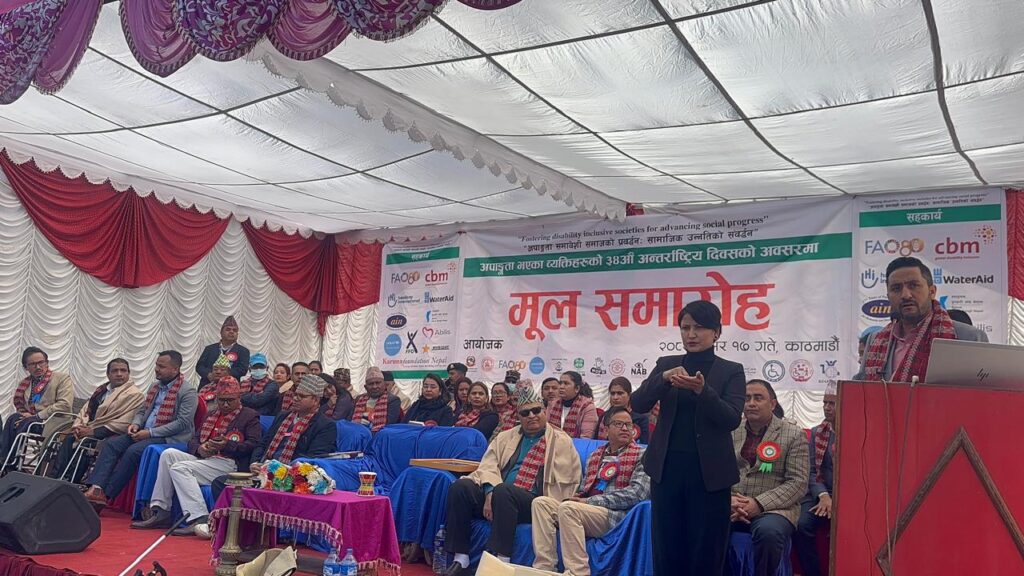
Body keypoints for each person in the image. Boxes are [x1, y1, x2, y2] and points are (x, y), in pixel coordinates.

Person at [631, 300, 746, 576]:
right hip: (667, 471)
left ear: (717, 332)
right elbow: (638, 403)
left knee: (706, 550)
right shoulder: (667, 364)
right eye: (685, 327)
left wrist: (702, 391)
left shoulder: (731, 370)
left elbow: (731, 418)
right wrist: (663, 378)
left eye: (699, 327)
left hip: (709, 476)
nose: (691, 334)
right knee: (667, 547)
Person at [443, 385, 581, 575]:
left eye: (536, 410)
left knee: (504, 491)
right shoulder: (506, 436)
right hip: (498, 496)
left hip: (534, 503)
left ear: (544, 411)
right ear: (519, 416)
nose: (532, 415)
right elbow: (488, 465)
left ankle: (502, 562)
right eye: (525, 412)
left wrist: (497, 491)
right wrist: (490, 491)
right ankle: (461, 558)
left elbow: (568, 480)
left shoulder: (561, 440)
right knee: (461, 487)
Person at [206, 374, 338, 537]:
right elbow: (263, 444)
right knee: (221, 482)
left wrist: (274, 468)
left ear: (316, 400)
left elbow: (312, 459)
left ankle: (242, 533)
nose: (295, 398)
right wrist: (255, 462)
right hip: (261, 471)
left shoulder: (325, 425)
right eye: (295, 394)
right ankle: (229, 531)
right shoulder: (283, 416)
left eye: (301, 396)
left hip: (289, 477)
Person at [132, 377, 261, 536]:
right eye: (222, 400)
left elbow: (252, 445)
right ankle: (161, 510)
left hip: (229, 463)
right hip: (205, 459)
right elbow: (193, 439)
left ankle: (199, 518)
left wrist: (226, 445)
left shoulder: (249, 416)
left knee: (180, 468)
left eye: (230, 400)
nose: (225, 405)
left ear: (238, 398)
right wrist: (200, 449)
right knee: (168, 455)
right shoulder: (211, 414)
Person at [532, 407, 650, 576]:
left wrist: (587, 502)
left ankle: (577, 572)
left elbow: (637, 494)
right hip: (588, 510)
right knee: (541, 503)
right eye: (619, 424)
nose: (625, 429)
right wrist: (576, 498)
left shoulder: (642, 454)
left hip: (617, 516)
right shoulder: (595, 455)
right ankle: (544, 569)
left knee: (569, 509)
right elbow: (583, 489)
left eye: (628, 425)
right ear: (606, 429)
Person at [84, 350, 198, 508]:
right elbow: (142, 411)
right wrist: (136, 424)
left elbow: (182, 423)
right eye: (157, 365)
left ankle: (106, 496)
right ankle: (96, 488)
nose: (157, 369)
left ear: (175, 369)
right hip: (143, 431)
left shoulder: (188, 392)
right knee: (111, 444)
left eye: (162, 366)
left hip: (168, 437)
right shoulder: (155, 386)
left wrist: (150, 433)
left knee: (133, 451)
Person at [858, 257, 987, 382]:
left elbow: (981, 397)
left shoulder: (969, 338)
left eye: (914, 285)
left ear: (932, 291)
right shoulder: (875, 340)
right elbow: (860, 391)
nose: (905, 295)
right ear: (888, 296)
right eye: (896, 288)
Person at [729, 379, 809, 576]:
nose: (751, 403)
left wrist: (758, 504)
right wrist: (729, 500)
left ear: (772, 404)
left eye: (758, 398)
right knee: (705, 523)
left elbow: (798, 483)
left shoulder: (793, 434)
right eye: (747, 398)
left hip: (774, 509)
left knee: (769, 533)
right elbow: (716, 473)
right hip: (732, 504)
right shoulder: (730, 431)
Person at [50, 358, 145, 481]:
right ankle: (55, 478)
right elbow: (85, 410)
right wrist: (79, 426)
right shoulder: (102, 390)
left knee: (87, 442)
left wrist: (92, 431)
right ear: (108, 374)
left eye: (123, 370)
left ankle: (72, 481)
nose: (119, 374)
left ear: (128, 373)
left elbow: (125, 422)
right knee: (68, 438)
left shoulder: (135, 395)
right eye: (115, 371)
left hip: (108, 433)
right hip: (89, 428)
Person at [1, 347, 75, 466]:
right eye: (33, 364)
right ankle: (4, 460)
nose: (38, 367)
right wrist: (27, 415)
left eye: (41, 362)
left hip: (55, 422)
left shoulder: (61, 378)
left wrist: (37, 416)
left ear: (47, 363)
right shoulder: (26, 383)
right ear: (26, 367)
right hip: (33, 420)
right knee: (12, 419)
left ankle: (11, 462)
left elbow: (65, 405)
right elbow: (24, 406)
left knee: (25, 422)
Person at [794, 383, 837, 576]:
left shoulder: (860, 431)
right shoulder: (817, 432)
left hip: (851, 495)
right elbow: (810, 471)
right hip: (819, 491)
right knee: (801, 524)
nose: (827, 407)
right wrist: (823, 495)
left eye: (833, 403)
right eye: (825, 403)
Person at [195, 316, 250, 388]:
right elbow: (199, 366)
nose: (231, 332)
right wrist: (209, 374)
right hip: (207, 386)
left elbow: (243, 370)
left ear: (237, 334)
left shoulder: (243, 351)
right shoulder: (209, 349)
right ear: (221, 332)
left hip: (230, 388)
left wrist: (225, 374)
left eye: (234, 330)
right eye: (228, 329)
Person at [597, 377, 650, 445]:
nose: (615, 397)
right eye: (612, 393)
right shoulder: (603, 417)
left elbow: (644, 445)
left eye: (620, 393)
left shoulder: (641, 420)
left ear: (629, 395)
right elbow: (595, 442)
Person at [547, 371, 598, 439]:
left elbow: (586, 438)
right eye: (560, 383)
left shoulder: (587, 407)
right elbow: (546, 431)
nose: (561, 387)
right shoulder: (553, 404)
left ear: (577, 388)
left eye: (566, 383)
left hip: (576, 447)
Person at [352, 367, 401, 433]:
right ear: (365, 387)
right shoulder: (359, 399)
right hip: (357, 434)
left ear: (384, 385)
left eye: (378, 383)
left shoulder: (393, 400)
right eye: (371, 384)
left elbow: (389, 426)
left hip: (380, 437)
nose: (374, 387)